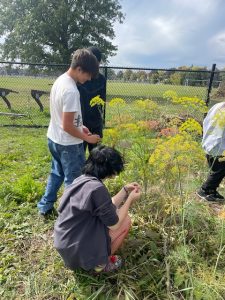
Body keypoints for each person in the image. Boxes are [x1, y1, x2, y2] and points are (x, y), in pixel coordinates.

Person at [54, 145, 141, 273]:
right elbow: (115, 224)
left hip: (66, 246)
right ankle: (100, 264)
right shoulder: (97, 188)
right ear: (109, 169)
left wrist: (124, 191)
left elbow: (106, 205)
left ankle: (87, 259)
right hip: (79, 251)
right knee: (125, 221)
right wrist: (130, 200)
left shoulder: (82, 180)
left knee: (113, 216)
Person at [37, 49, 101, 216]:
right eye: (87, 75)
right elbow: (67, 126)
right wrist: (87, 137)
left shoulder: (60, 81)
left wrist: (81, 127)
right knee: (74, 182)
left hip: (54, 139)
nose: (88, 80)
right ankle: (69, 216)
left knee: (56, 173)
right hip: (68, 145)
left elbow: (65, 118)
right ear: (79, 69)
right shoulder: (71, 90)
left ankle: (45, 206)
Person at [78, 47, 106, 154]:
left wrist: (100, 120)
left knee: (97, 156)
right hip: (80, 122)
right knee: (79, 155)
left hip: (96, 123)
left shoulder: (102, 79)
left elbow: (102, 101)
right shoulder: (79, 78)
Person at [197, 102, 225, 202]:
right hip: (219, 148)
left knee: (217, 171)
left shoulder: (217, 106)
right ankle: (205, 190)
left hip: (209, 144)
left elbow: (206, 122)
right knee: (219, 171)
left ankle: (211, 190)